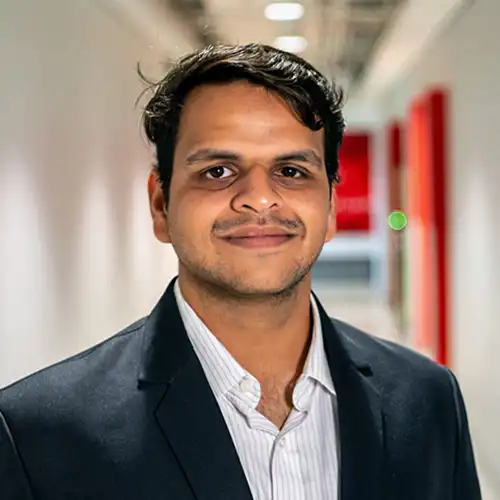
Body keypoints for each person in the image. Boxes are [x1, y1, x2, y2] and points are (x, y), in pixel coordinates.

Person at [0, 43, 481, 500]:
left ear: (331, 208)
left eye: (291, 171)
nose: (259, 197)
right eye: (217, 171)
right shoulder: (39, 434)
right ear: (161, 205)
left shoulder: (428, 399)